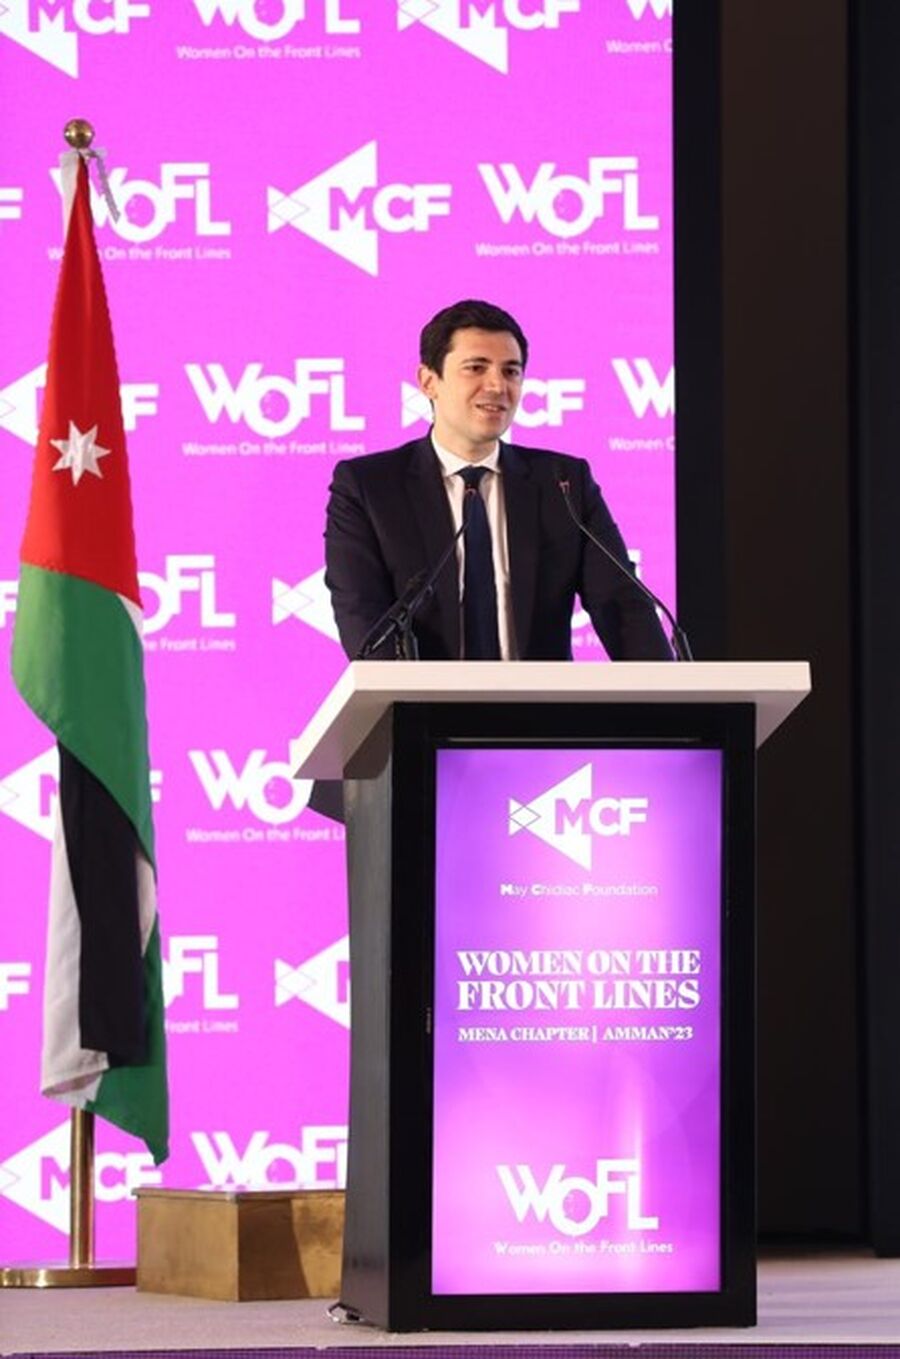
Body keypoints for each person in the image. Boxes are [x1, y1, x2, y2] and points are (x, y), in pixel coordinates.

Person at [323, 298, 672, 663]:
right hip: (422, 699)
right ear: (428, 381)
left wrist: (667, 692)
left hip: (539, 700)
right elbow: (363, 619)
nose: (497, 385)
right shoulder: (369, 488)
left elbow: (623, 608)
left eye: (511, 371)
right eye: (476, 368)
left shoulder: (563, 484)